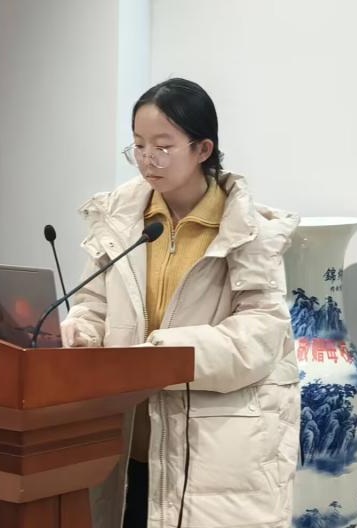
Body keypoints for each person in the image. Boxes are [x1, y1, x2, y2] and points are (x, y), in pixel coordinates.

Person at [61, 78, 301, 528]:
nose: (147, 159)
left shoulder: (246, 229)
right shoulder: (119, 219)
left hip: (211, 454)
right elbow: (93, 299)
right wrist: (82, 328)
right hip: (127, 445)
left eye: (163, 146)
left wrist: (164, 356)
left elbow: (261, 333)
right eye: (138, 145)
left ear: (203, 149)